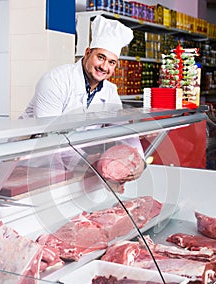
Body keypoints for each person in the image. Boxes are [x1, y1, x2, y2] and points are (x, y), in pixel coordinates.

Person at [20, 15, 146, 190]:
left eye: (111, 62)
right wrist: (91, 166)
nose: (104, 67)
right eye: (100, 57)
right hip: (33, 164)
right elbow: (52, 137)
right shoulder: (56, 80)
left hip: (76, 165)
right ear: (87, 53)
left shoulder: (110, 91)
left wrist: (138, 160)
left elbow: (123, 132)